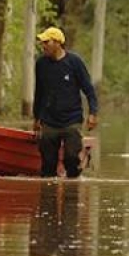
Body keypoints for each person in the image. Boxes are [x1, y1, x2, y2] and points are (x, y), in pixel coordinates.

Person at [33, 27, 99, 179]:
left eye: (46, 42)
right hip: (49, 120)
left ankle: (72, 191)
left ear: (57, 43)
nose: (43, 46)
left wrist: (93, 113)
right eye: (42, 43)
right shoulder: (41, 64)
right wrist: (36, 118)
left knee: (71, 159)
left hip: (71, 120)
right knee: (48, 166)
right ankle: (48, 198)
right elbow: (39, 92)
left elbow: (89, 90)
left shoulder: (74, 62)